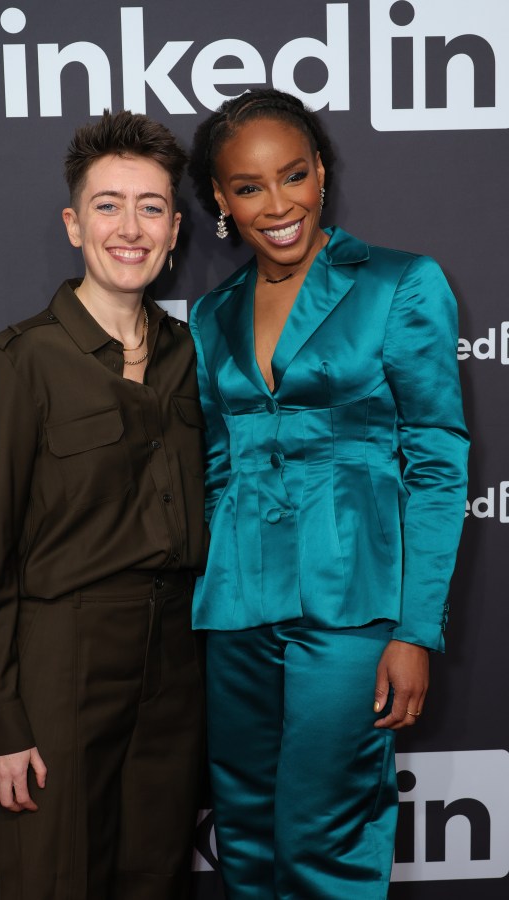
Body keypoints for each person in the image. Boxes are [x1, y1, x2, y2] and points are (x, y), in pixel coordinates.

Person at [187, 88, 469, 899]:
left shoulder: (399, 285)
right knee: (242, 835)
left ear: (321, 175)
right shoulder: (212, 315)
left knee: (325, 841)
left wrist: (416, 627)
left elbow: (439, 461)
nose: (278, 205)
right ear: (220, 199)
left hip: (351, 613)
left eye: (294, 176)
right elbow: (218, 465)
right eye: (248, 187)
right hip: (237, 610)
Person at [0, 109, 207, 900]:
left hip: (175, 659)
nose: (129, 228)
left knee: (155, 875)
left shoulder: (191, 356)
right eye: (108, 205)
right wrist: (2, 719)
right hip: (61, 657)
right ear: (75, 225)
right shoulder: (19, 361)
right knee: (52, 879)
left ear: (175, 229)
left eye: (150, 207)